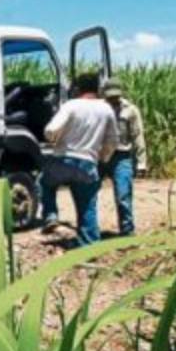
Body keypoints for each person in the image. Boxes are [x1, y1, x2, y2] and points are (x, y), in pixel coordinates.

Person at [40, 73, 120, 247]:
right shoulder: (106, 109)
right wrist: (102, 157)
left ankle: (50, 216)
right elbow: (113, 140)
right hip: (88, 163)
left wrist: (54, 142)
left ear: (78, 89)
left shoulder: (71, 105)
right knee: (87, 204)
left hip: (63, 160)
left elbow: (51, 130)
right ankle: (89, 244)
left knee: (45, 182)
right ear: (97, 89)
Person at [101, 77, 148, 236]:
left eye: (116, 95)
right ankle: (89, 233)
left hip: (121, 157)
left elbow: (137, 136)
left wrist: (141, 163)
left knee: (123, 195)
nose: (113, 99)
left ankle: (127, 232)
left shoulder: (130, 110)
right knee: (89, 194)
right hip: (101, 156)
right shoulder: (99, 109)